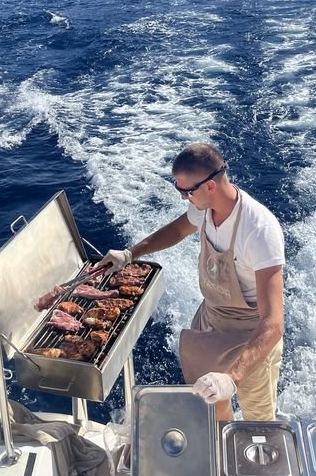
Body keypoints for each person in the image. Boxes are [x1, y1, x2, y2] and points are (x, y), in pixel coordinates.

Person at [97, 143, 284, 422]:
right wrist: (130, 254)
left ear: (210, 186)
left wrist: (230, 379)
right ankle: (220, 447)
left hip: (249, 334)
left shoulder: (258, 231)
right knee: (209, 404)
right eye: (179, 190)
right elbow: (177, 230)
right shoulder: (205, 209)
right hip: (212, 318)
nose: (184, 198)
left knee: (258, 421)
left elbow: (273, 324)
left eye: (187, 191)